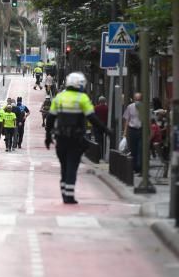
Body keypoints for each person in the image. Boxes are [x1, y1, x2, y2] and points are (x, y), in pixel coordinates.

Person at [45, 72, 109, 204]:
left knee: (64, 166)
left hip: (61, 138)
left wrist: (48, 136)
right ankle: (69, 195)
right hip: (76, 138)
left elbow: (50, 118)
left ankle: (64, 191)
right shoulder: (82, 98)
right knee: (72, 166)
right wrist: (106, 130)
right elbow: (92, 118)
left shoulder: (59, 97)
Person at [122, 93, 144, 175]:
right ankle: (135, 167)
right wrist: (125, 132)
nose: (137, 101)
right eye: (136, 99)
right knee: (133, 150)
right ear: (134, 99)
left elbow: (148, 120)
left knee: (141, 150)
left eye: (139, 99)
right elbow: (127, 120)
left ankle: (140, 168)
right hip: (132, 130)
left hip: (141, 130)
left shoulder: (144, 107)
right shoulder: (130, 107)